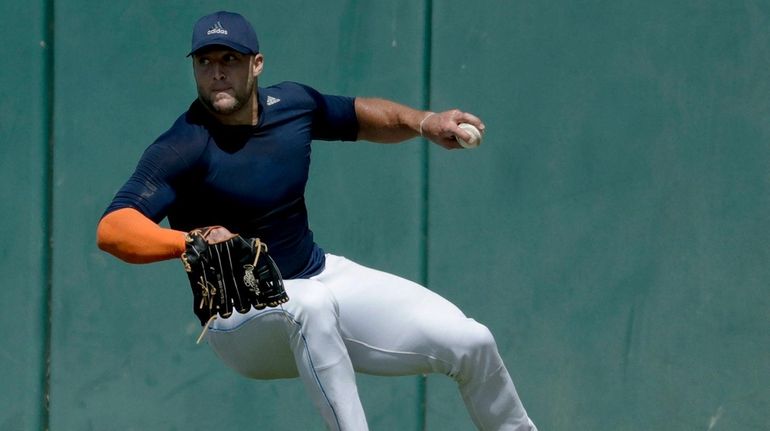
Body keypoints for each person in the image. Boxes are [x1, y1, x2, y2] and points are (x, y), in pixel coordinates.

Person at [96, 10, 537, 431]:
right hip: (239, 318)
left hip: (316, 275)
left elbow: (360, 116)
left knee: (471, 341)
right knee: (311, 305)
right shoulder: (182, 146)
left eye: (229, 60)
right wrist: (189, 241)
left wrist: (424, 122)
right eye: (205, 62)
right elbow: (113, 228)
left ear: (256, 64)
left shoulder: (292, 105)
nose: (216, 73)